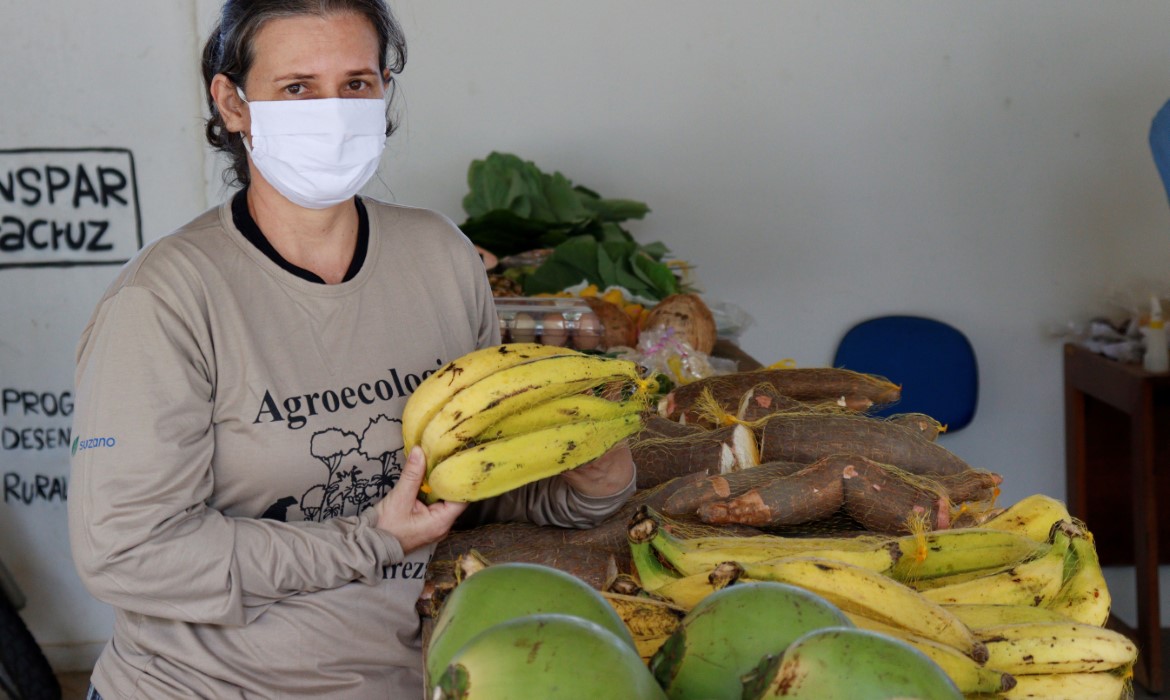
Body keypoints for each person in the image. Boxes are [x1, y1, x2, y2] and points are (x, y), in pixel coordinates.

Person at [68, 1, 635, 697]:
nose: (331, 112)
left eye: (356, 84)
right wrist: (371, 540)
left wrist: (589, 485)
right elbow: (129, 552)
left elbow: (467, 491)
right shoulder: (165, 300)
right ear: (232, 103)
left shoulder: (440, 258)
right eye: (297, 88)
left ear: (385, 90)